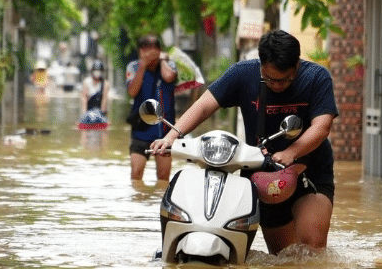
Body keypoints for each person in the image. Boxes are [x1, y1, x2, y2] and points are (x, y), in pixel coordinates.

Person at [149, 30, 338, 255]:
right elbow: (204, 106)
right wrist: (172, 136)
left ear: (296, 64)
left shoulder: (316, 77)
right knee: (281, 260)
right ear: (261, 65)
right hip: (262, 174)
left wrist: (291, 152)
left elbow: (322, 126)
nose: (276, 85)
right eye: (269, 79)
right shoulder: (243, 73)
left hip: (309, 169)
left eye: (284, 79)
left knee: (311, 250)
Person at [127, 34, 178, 181]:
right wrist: (143, 66)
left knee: (163, 177)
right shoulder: (134, 67)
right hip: (140, 129)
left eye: (153, 49)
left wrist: (161, 60)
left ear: (159, 50)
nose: (149, 53)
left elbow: (169, 77)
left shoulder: (169, 64)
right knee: (136, 174)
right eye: (145, 50)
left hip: (164, 130)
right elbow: (132, 92)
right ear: (140, 52)